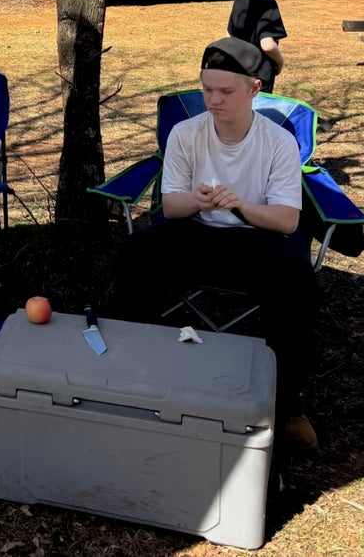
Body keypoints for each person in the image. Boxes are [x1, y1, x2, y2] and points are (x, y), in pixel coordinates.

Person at [112, 36, 319, 450]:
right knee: (135, 253)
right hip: (196, 231)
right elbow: (171, 208)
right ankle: (136, 371)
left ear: (254, 89)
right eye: (207, 90)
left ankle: (286, 404)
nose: (214, 100)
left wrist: (242, 207)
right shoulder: (186, 134)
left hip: (256, 238)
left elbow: (286, 219)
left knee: (297, 278)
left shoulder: (277, 142)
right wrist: (198, 200)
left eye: (226, 92)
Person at [229, 0, 286, 93]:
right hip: (260, 76)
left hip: (239, 73)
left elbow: (229, 36)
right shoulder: (267, 4)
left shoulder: (238, 0)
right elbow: (268, 45)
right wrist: (280, 63)